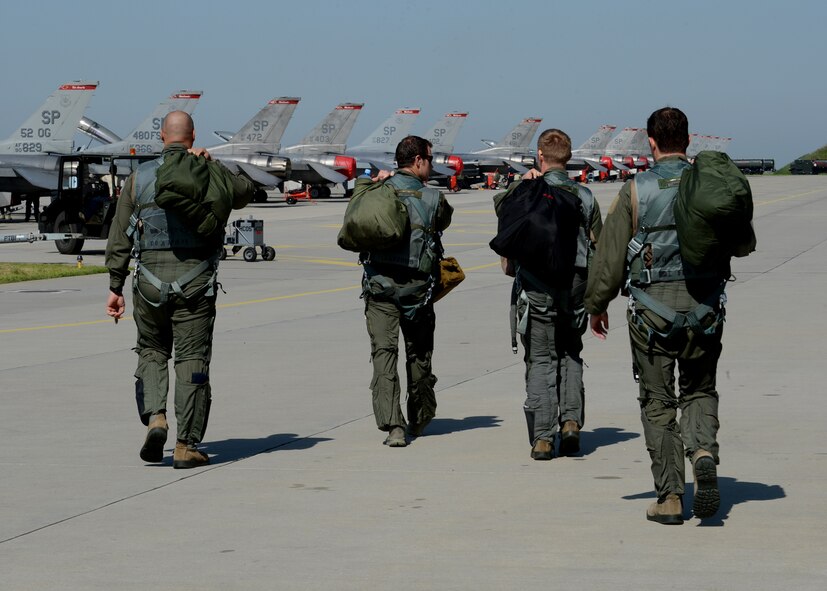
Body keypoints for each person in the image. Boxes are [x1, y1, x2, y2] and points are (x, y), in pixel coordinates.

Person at [584, 107, 725, 524]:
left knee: (657, 401)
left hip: (652, 312)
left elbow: (609, 259)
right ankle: (701, 450)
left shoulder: (635, 190)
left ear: (651, 142)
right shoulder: (709, 186)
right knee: (699, 390)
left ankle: (670, 497)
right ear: (688, 139)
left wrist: (596, 306)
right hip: (704, 305)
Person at [105, 111, 254, 468]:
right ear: (193, 136)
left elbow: (119, 235)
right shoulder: (209, 171)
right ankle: (186, 445)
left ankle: (156, 417)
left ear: (161, 136)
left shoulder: (138, 179)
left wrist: (115, 286)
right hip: (196, 285)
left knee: (152, 350)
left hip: (148, 286)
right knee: (191, 360)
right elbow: (247, 191)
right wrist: (213, 162)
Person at [494, 129, 602, 460]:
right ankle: (570, 423)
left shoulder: (526, 190)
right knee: (570, 350)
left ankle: (542, 437)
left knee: (540, 357)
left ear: (540, 155)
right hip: (576, 285)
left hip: (537, 283)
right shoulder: (584, 196)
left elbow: (507, 236)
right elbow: (599, 247)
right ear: (567, 158)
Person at [360, 135, 453, 447]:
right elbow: (446, 218)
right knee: (419, 355)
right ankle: (420, 418)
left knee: (383, 355)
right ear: (417, 161)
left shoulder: (378, 191)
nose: (431, 165)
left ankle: (393, 426)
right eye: (429, 159)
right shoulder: (432, 198)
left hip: (379, 289)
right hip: (417, 293)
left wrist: (375, 184)